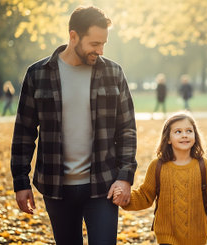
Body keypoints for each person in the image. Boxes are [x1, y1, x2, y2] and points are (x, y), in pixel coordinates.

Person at [10, 6, 137, 245]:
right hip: (56, 187)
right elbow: (24, 133)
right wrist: (21, 181)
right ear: (73, 36)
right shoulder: (38, 75)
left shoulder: (113, 72)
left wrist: (125, 177)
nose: (100, 51)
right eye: (95, 44)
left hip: (103, 185)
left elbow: (127, 129)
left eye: (104, 44)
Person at [113, 112, 207, 245]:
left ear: (195, 136)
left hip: (197, 236)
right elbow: (145, 196)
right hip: (166, 236)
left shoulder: (204, 166)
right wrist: (125, 199)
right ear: (168, 138)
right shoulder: (157, 166)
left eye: (189, 131)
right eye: (178, 131)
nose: (184, 135)